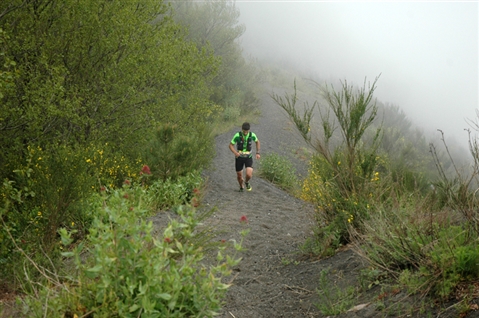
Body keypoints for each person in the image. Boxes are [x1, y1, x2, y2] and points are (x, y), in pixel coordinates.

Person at [229, 122, 260, 192]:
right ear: (242, 129)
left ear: (249, 130)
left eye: (247, 131)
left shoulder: (252, 135)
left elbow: (257, 142)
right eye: (244, 131)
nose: (245, 133)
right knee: (239, 176)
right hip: (239, 158)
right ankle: (241, 186)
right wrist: (235, 152)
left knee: (249, 174)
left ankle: (246, 182)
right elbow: (230, 145)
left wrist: (258, 152)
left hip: (248, 157)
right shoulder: (237, 135)